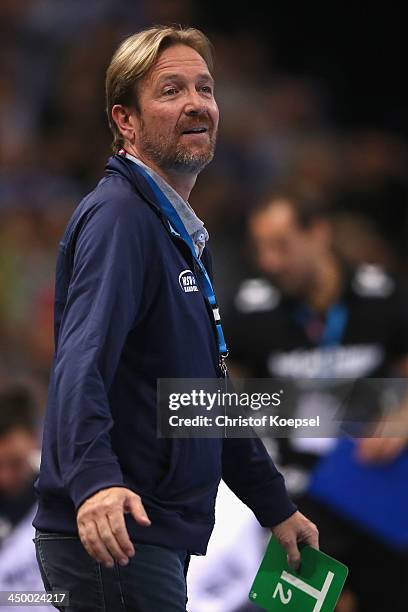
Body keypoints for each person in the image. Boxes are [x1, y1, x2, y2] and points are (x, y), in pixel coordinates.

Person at [32, 26, 318, 612]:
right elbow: (78, 366)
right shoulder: (122, 220)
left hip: (147, 534)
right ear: (126, 121)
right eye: (170, 90)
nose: (196, 103)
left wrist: (274, 503)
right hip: (114, 531)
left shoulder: (177, 234)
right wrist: (94, 484)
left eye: (205, 88)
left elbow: (201, 395)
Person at [224, 190, 408, 611]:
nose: (269, 261)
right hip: (292, 501)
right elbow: (220, 403)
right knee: (294, 606)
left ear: (319, 233)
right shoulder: (248, 311)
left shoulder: (383, 296)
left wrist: (404, 414)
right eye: (261, 249)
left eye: (281, 246)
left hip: (375, 486)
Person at [0, 384, 49, 612]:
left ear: (34, 438)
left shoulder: (64, 499)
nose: (4, 477)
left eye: (14, 462)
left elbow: (68, 598)